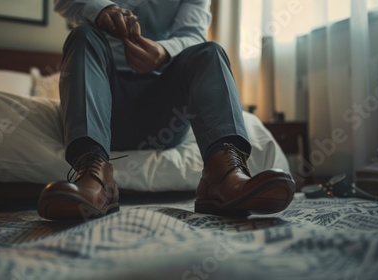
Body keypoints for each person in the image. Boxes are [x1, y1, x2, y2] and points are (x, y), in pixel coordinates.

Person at [37, 0, 295, 221]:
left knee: (210, 51)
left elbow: (193, 34)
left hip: (163, 114)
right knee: (82, 36)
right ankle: (94, 175)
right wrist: (101, 8)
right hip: (103, 104)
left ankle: (223, 176)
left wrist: (164, 52)